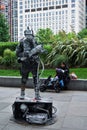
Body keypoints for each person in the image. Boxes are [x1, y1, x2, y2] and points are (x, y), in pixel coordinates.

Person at [16, 27, 44, 100]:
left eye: (30, 34)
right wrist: (24, 54)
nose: (29, 36)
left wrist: (39, 50)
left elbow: (41, 50)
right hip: (25, 63)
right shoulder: (22, 42)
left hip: (34, 63)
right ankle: (22, 93)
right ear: (25, 34)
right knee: (24, 79)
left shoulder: (35, 41)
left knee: (36, 79)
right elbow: (17, 53)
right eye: (27, 34)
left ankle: (37, 94)